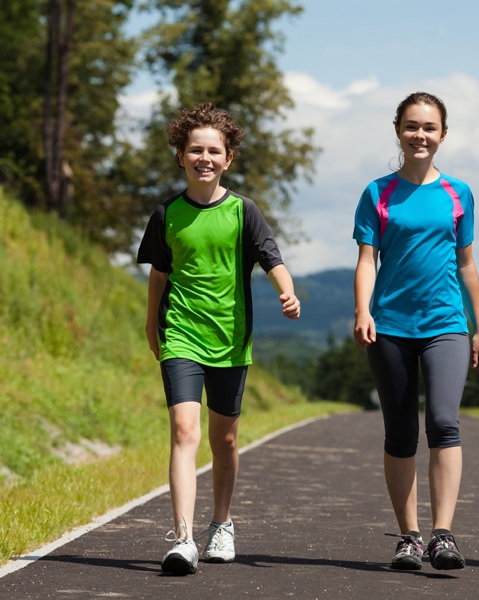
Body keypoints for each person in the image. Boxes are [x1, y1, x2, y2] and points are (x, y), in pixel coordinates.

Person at [137, 103, 301, 575]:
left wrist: (287, 293)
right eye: (195, 150)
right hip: (181, 335)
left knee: (224, 440)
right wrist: (153, 326)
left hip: (230, 340)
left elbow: (273, 260)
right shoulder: (166, 213)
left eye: (214, 151)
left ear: (228, 158)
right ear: (181, 157)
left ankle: (221, 524)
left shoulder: (243, 211)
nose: (204, 158)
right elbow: (159, 276)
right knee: (184, 432)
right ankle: (184, 538)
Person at [353, 92, 479, 571]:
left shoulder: (459, 193)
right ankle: (409, 536)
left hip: (446, 325)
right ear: (398, 131)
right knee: (400, 432)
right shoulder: (377, 193)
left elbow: (467, 263)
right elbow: (367, 259)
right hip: (389, 325)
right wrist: (362, 310)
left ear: (443, 135)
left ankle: (443, 535)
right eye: (412, 126)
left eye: (429, 128)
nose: (420, 135)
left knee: (443, 422)